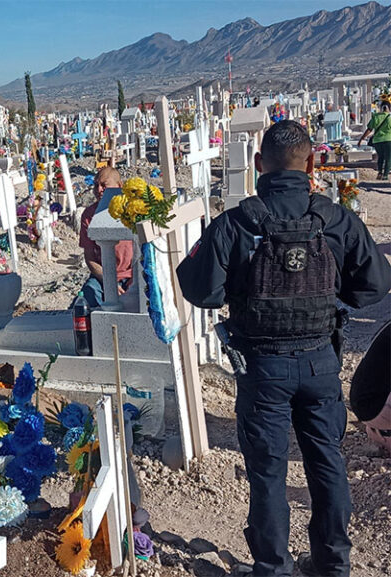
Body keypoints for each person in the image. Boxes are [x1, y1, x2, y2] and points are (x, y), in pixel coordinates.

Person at [176, 120, 391, 577]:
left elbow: (199, 289)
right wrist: (338, 292)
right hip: (320, 363)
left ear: (258, 166)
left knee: (268, 471)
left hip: (262, 366)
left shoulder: (236, 223)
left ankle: (274, 567)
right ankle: (334, 564)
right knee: (327, 463)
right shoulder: (335, 220)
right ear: (312, 163)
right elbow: (375, 284)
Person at [78, 167, 132, 308]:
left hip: (132, 275)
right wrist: (109, 282)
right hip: (103, 277)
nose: (99, 189)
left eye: (104, 185)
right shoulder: (89, 215)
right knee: (85, 304)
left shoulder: (133, 210)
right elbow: (90, 258)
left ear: (119, 186)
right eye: (96, 185)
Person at [357, 101, 391, 180]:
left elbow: (369, 129)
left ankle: (379, 172)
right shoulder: (390, 117)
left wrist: (361, 139)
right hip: (389, 140)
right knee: (388, 158)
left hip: (377, 141)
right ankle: (385, 175)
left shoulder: (376, 116)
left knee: (380, 157)